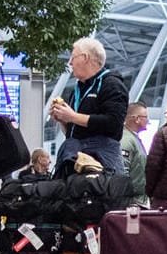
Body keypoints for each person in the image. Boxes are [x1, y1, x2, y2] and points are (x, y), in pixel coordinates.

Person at [49, 37, 128, 174]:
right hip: (73, 158)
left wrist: (73, 116)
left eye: (73, 58)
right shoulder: (78, 89)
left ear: (85, 57)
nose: (70, 63)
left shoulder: (112, 85)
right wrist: (63, 120)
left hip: (101, 162)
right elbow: (76, 130)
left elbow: (113, 123)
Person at [121, 102, 150, 207]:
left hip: (135, 201)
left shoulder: (133, 139)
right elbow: (123, 170)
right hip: (130, 203)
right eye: (146, 117)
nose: (148, 120)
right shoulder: (126, 140)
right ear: (137, 119)